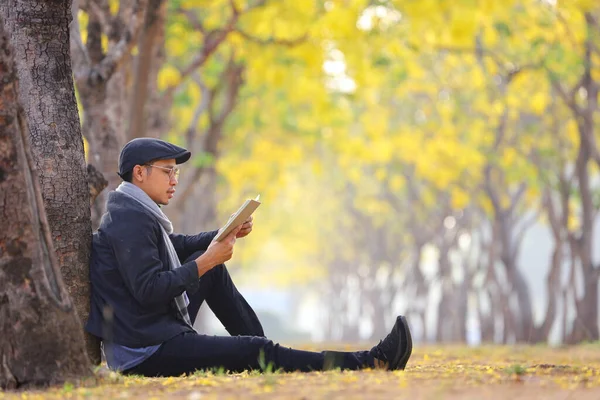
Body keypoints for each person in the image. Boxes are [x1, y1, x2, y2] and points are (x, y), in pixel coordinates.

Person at [85, 138, 412, 376]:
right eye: (167, 172)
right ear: (139, 173)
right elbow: (148, 289)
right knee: (215, 279)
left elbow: (172, 245)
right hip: (145, 351)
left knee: (213, 274)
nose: (174, 180)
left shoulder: (132, 211)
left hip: (152, 329)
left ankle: (269, 356)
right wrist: (208, 259)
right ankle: (370, 361)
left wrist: (221, 234)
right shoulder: (129, 219)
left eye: (176, 173)